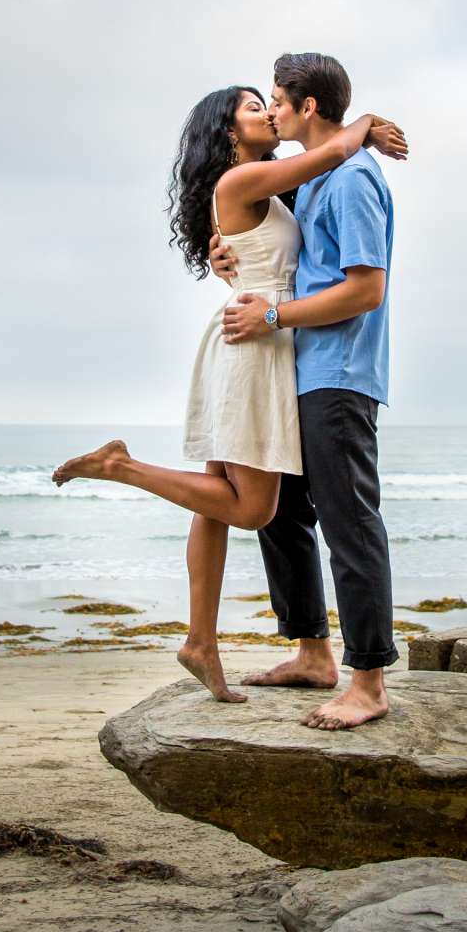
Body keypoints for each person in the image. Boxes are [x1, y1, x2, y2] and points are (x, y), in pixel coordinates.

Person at [52, 85, 405, 704]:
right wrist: (367, 121)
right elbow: (328, 154)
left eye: (271, 102)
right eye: (253, 106)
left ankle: (201, 641)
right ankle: (122, 466)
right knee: (253, 509)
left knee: (220, 496)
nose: (268, 112)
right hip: (254, 347)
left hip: (265, 344)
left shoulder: (268, 189)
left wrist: (231, 253)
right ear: (228, 133)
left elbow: (294, 221)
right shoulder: (245, 183)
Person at [214, 52, 400, 730]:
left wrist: (271, 316)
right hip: (298, 370)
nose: (271, 112)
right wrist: (224, 257)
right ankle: (312, 651)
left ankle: (369, 681)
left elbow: (364, 289)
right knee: (283, 514)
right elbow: (273, 249)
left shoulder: (350, 180)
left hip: (339, 375)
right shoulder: (315, 182)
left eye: (278, 101)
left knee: (350, 523)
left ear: (308, 107)